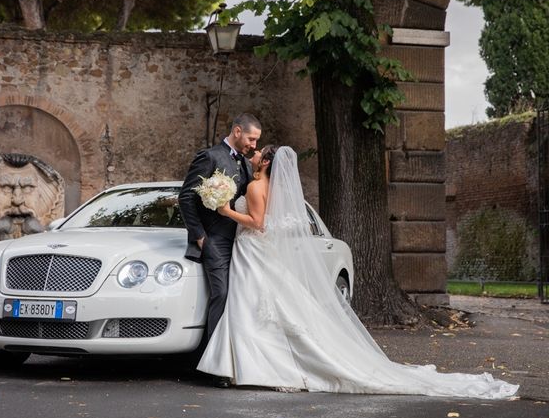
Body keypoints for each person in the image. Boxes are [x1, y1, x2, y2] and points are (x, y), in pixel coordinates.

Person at [197, 146, 519, 399]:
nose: (251, 155)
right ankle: (250, 366)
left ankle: (251, 367)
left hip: (253, 249)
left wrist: (224, 210)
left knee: (252, 306)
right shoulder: (268, 188)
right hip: (256, 252)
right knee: (262, 307)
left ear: (265, 162)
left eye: (256, 152)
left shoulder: (255, 188)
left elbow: (259, 223)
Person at [178, 113, 262, 388]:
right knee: (222, 295)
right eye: (251, 138)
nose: (254, 144)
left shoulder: (246, 164)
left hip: (241, 240)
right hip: (215, 239)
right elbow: (187, 197)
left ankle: (231, 360)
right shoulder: (210, 156)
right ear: (237, 131)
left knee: (239, 297)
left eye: (256, 140)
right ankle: (210, 366)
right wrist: (200, 236)